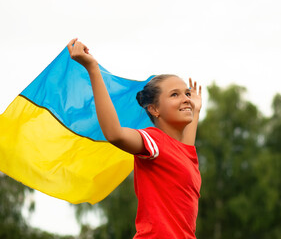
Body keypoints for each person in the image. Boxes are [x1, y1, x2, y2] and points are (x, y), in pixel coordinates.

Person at [67, 38, 202, 238]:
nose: (185, 98)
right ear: (154, 109)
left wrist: (195, 110)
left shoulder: (185, 153)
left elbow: (184, 148)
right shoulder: (154, 141)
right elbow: (114, 133)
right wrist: (93, 69)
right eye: (175, 95)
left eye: (187, 93)